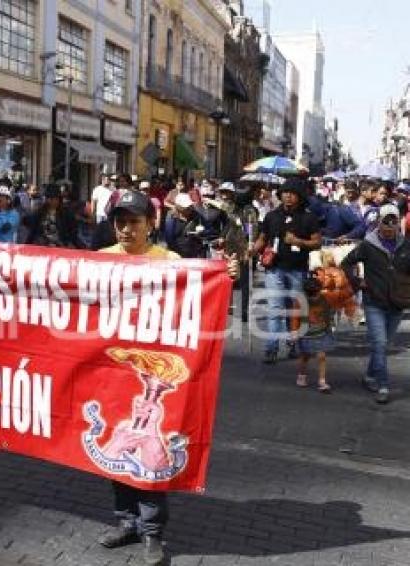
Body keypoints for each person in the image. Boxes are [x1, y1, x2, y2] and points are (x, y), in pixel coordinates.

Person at [96, 190, 237, 566]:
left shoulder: (170, 261)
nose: (126, 229)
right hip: (113, 377)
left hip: (154, 380)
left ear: (151, 225)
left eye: (134, 222)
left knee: (151, 466)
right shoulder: (97, 262)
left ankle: (152, 534)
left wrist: (225, 275)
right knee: (115, 457)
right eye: (120, 222)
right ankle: (126, 522)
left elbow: (202, 291)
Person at [341, 204, 410, 404]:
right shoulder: (368, 245)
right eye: (385, 223)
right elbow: (347, 262)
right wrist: (357, 281)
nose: (389, 228)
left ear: (398, 224)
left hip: (397, 304)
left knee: (383, 345)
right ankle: (383, 385)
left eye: (393, 224)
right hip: (374, 302)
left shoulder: (406, 246)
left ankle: (370, 376)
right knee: (379, 344)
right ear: (378, 223)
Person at [252, 178, 322, 364]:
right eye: (285, 192)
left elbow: (317, 242)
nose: (288, 196)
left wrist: (299, 242)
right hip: (274, 268)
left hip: (298, 270)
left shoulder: (308, 217)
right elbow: (263, 237)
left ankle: (293, 344)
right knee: (275, 308)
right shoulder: (272, 216)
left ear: (299, 197)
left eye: (292, 193)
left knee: (294, 310)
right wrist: (251, 250)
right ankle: (271, 348)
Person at [292, 275, 335, 393]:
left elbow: (338, 298)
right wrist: (295, 332)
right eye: (313, 295)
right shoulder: (300, 301)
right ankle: (301, 375)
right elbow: (295, 317)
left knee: (322, 356)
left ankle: (322, 381)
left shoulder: (324, 298)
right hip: (306, 334)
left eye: (317, 294)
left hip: (321, 332)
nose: (315, 297)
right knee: (305, 356)